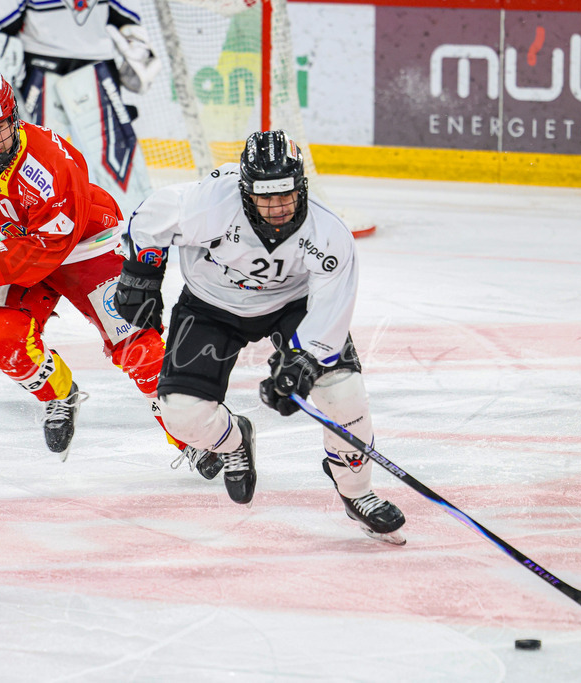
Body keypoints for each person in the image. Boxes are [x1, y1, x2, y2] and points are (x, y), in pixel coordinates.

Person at [114, 129, 406, 544]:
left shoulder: (328, 233)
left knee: (343, 391)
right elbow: (150, 218)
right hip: (209, 305)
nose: (277, 208)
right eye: (265, 198)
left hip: (291, 306)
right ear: (244, 190)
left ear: (302, 186)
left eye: (286, 195)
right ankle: (234, 439)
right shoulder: (210, 202)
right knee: (181, 415)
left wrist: (304, 362)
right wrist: (142, 274)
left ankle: (357, 492)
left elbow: (329, 311)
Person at [0, 68, 214, 467]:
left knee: (140, 351)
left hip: (85, 244)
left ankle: (189, 434)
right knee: (3, 339)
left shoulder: (48, 169)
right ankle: (60, 393)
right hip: (17, 239)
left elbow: (47, 249)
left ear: (13, 119)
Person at [0, 0, 162, 233]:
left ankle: (136, 240)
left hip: (97, 70)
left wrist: (138, 48)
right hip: (39, 75)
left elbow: (128, 19)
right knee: (22, 160)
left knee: (119, 164)